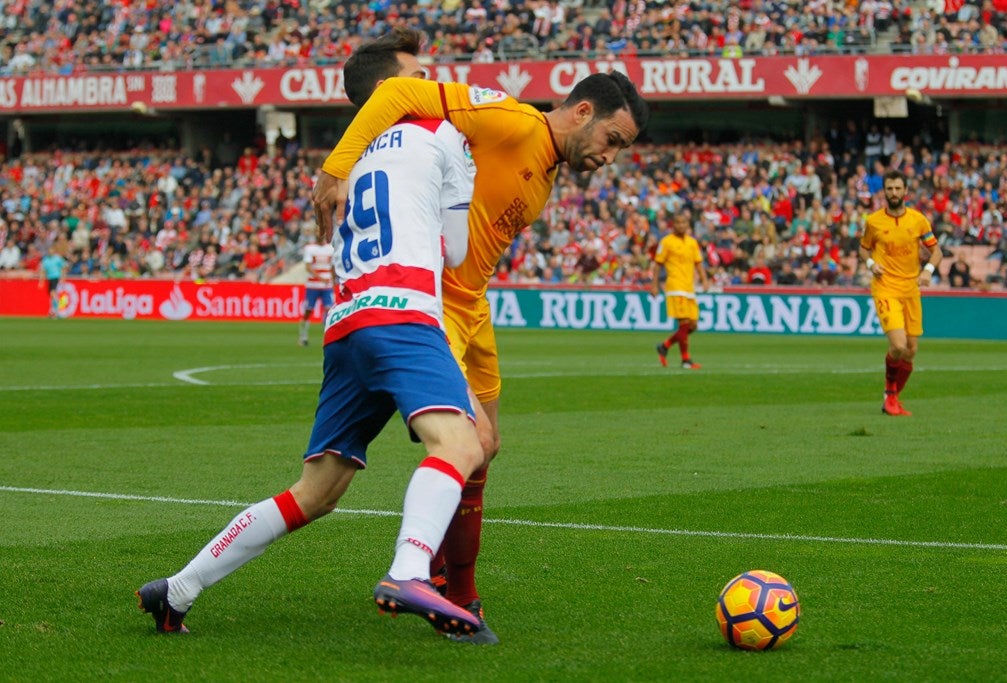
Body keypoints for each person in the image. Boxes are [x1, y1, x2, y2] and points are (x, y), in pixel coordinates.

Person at [137, 28, 485, 638]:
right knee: (462, 444)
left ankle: (179, 588)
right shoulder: (441, 133)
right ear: (389, 90)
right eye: (419, 75)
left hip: (346, 324)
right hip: (402, 312)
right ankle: (409, 569)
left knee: (316, 492)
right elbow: (455, 251)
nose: (433, 83)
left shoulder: (343, 164)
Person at [313, 63, 649, 644]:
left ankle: (449, 579)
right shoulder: (510, 120)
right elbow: (397, 91)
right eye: (611, 141)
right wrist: (336, 169)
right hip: (434, 300)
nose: (609, 157)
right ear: (583, 112)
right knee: (475, 442)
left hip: (475, 306)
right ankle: (448, 591)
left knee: (487, 453)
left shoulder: (544, 168)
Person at [858, 169, 941, 417]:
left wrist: (927, 270)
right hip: (885, 286)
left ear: (905, 191)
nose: (894, 193)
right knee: (898, 344)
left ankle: (893, 397)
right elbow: (863, 250)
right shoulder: (873, 221)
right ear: (884, 191)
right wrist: (872, 264)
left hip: (911, 287)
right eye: (889, 188)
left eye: (898, 188)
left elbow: (936, 251)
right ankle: (890, 394)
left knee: (911, 350)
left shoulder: (918, 220)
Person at [652, 212, 711, 369]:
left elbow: (698, 263)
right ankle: (685, 360)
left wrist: (704, 280)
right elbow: (658, 264)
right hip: (675, 287)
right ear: (673, 225)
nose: (681, 225)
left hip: (689, 287)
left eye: (684, 223)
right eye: (678, 223)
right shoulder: (666, 242)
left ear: (687, 225)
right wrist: (654, 285)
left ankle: (664, 346)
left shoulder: (692, 243)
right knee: (684, 323)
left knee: (693, 325)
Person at [297, 233, 335, 346]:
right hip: (313, 285)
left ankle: (329, 336)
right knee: (308, 310)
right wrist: (320, 278)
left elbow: (332, 266)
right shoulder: (310, 248)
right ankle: (303, 337)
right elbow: (308, 267)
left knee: (329, 310)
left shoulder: (330, 249)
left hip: (327, 286)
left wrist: (333, 280)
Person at [38, 246, 67, 318]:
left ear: (54, 251)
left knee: (53, 293)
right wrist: (41, 281)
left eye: (52, 250)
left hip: (56, 277)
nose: (50, 252)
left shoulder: (58, 258)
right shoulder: (45, 260)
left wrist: (63, 277)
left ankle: (58, 311)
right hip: (49, 279)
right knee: (52, 295)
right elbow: (43, 271)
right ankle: (53, 311)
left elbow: (64, 267)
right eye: (49, 250)